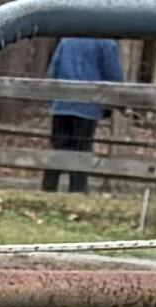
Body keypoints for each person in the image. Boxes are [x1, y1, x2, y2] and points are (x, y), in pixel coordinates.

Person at [45, 33, 124, 191]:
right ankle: (77, 189)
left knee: (59, 147)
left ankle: (49, 187)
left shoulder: (67, 39)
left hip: (62, 103)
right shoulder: (105, 42)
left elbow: (54, 68)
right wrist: (116, 99)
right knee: (81, 149)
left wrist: (51, 97)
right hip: (88, 105)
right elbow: (112, 72)